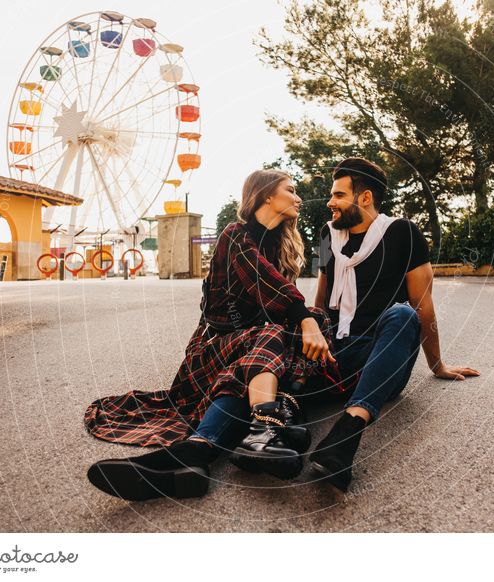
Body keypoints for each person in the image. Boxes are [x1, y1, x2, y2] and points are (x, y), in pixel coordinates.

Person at [85, 169, 340, 500]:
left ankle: (196, 454)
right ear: (266, 195)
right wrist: (304, 321)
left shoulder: (280, 243)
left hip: (249, 357)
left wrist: (310, 322)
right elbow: (268, 284)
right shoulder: (236, 235)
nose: (298, 197)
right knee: (274, 334)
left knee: (299, 331)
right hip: (213, 347)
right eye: (290, 190)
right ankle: (267, 425)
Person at [305, 157, 480, 492]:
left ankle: (346, 433)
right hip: (336, 353)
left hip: (382, 358)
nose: (330, 202)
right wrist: (311, 332)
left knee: (402, 315)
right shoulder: (329, 235)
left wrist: (437, 364)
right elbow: (321, 297)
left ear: (365, 198)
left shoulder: (402, 233)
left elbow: (423, 307)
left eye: (339, 195)